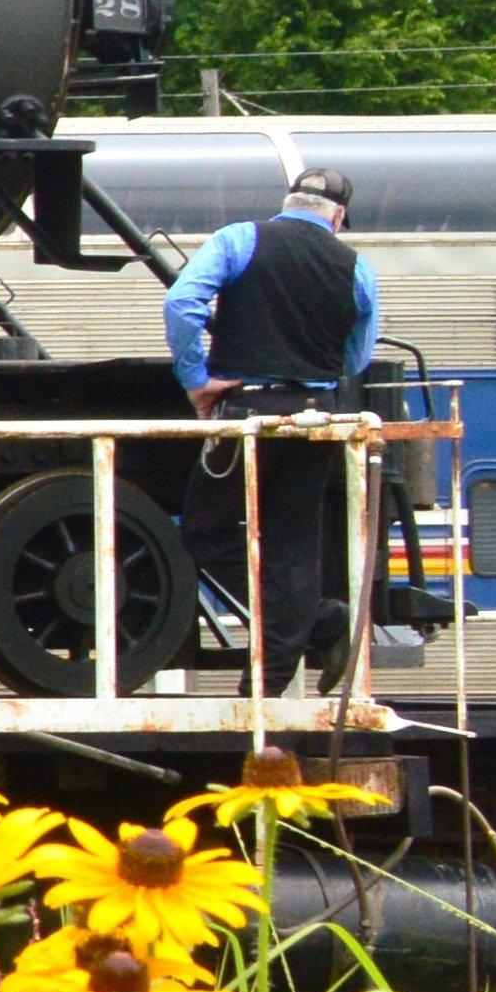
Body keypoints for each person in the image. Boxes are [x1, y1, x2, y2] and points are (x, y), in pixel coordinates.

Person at [163, 160, 387, 691]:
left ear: (288, 204)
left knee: (204, 532)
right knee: (293, 549)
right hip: (316, 418)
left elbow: (181, 303)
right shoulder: (355, 266)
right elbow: (356, 357)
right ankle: (301, 643)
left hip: (247, 414)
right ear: (338, 217)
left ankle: (296, 648)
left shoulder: (239, 239)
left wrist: (196, 380)